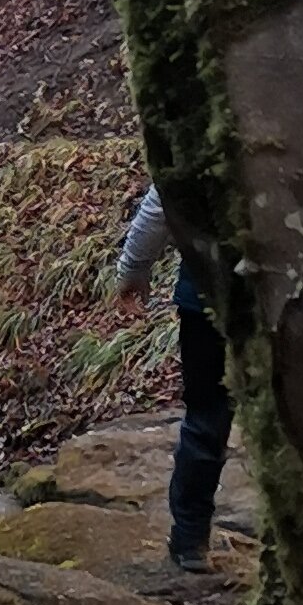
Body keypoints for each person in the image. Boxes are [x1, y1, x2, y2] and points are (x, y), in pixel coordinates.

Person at [111, 185, 233, 571]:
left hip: (206, 296)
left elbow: (162, 200)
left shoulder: (194, 130)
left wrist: (133, 268)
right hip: (293, 298)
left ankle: (190, 540)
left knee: (206, 418)